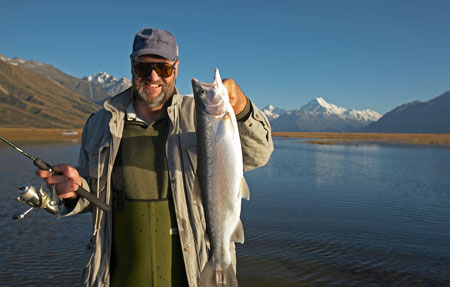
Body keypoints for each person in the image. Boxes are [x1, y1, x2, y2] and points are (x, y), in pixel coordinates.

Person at [37, 28, 273, 287]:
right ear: (131, 65)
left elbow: (258, 154)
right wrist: (76, 191)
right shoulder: (99, 124)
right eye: (143, 67)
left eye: (163, 68)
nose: (152, 76)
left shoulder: (201, 116)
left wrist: (241, 109)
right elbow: (94, 196)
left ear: (176, 69)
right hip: (116, 276)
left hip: (193, 274)